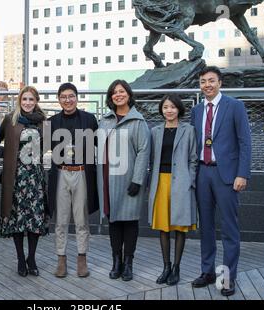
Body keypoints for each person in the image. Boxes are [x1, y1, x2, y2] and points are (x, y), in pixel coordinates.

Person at [191, 66, 251, 296]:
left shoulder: (235, 106)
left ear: (220, 83)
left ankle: (227, 277)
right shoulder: (197, 110)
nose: (207, 85)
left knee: (229, 228)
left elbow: (245, 142)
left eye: (211, 80)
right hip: (202, 173)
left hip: (227, 175)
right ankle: (208, 271)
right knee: (205, 226)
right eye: (203, 81)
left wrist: (242, 174)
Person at [97, 79, 151, 281]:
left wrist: (138, 180)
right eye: (114, 92)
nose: (118, 95)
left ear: (128, 94)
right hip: (108, 180)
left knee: (129, 222)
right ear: (111, 97)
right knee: (113, 221)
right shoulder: (106, 120)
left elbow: (144, 151)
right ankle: (116, 261)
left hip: (129, 180)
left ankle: (128, 263)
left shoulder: (138, 122)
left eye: (121, 91)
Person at [48, 83, 99, 278]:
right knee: (60, 221)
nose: (67, 100)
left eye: (71, 96)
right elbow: (37, 147)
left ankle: (81, 259)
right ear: (59, 99)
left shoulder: (89, 119)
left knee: (81, 220)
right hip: (61, 173)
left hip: (81, 173)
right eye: (63, 97)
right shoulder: (51, 122)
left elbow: (102, 144)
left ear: (77, 98)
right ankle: (61, 259)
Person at [148, 94, 197, 286]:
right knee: (163, 226)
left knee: (179, 227)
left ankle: (177, 267)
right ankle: (166, 266)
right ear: (162, 110)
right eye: (166, 107)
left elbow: (193, 159)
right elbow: (151, 159)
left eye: (173, 107)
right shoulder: (155, 131)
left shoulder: (189, 130)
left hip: (181, 182)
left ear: (179, 110)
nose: (169, 110)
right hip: (160, 181)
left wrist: (190, 181)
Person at [0, 86, 48, 277]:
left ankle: (32, 258)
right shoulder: (10, 119)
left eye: (31, 100)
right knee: (18, 220)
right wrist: (10, 154)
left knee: (35, 219)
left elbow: (49, 147)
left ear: (36, 101)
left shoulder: (44, 122)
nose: (27, 103)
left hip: (35, 177)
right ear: (20, 100)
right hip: (16, 177)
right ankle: (20, 259)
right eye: (24, 99)